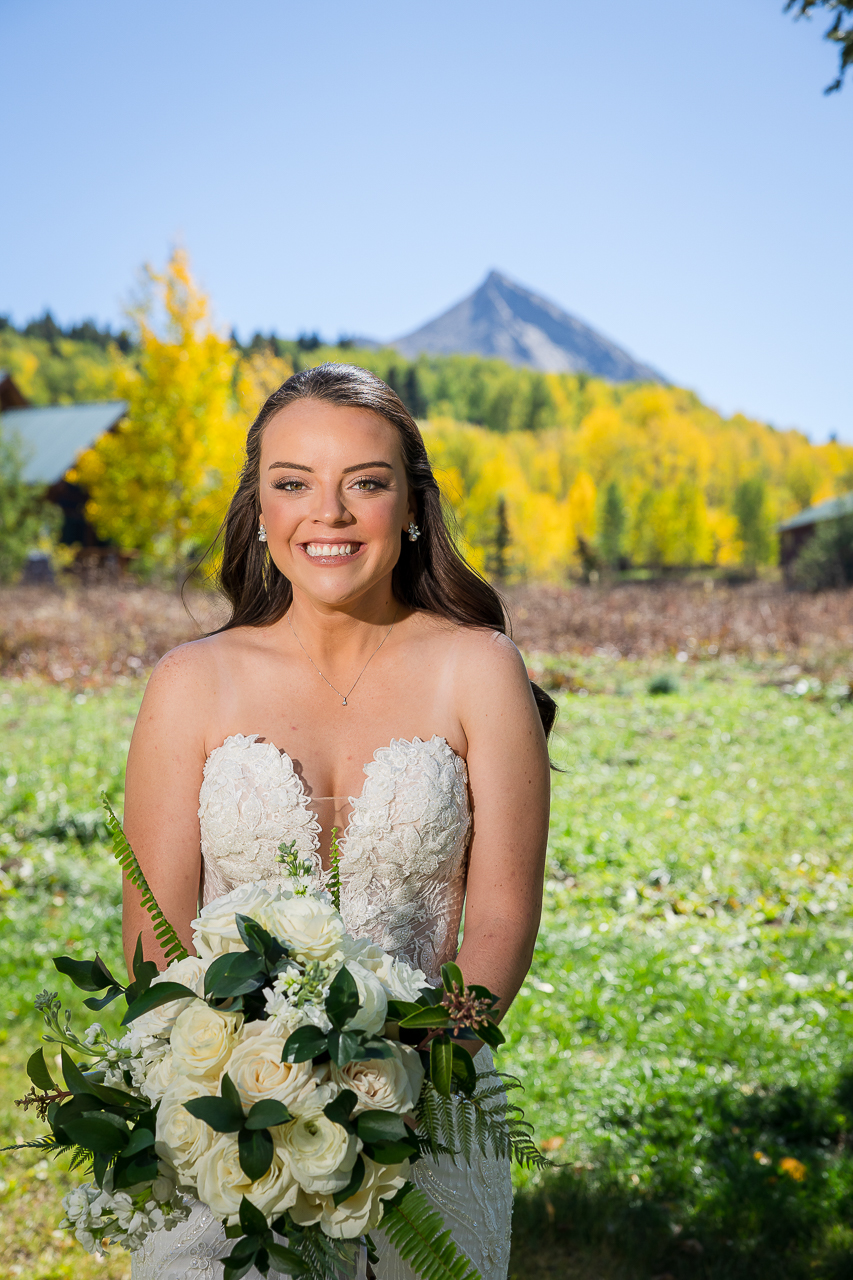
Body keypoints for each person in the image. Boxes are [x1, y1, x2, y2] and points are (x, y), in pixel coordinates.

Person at [123, 363, 553, 1280]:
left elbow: (503, 920)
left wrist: (403, 1086)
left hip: (431, 1108)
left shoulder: (478, 669)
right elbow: (152, 944)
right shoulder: (189, 681)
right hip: (227, 1116)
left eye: (365, 481)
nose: (330, 512)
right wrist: (230, 1083)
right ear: (261, 508)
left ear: (409, 506)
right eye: (293, 484)